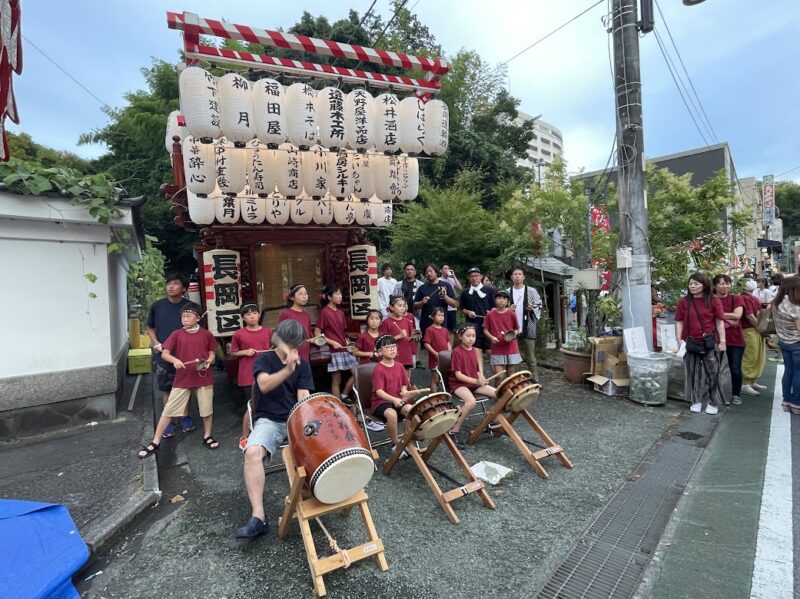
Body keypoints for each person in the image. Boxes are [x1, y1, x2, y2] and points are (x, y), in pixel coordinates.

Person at [236, 319, 314, 538]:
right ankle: (258, 517)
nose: (294, 348)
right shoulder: (264, 359)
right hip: (269, 420)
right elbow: (264, 385)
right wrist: (288, 369)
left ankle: (319, 492)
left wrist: (306, 422)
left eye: (297, 344)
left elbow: (303, 397)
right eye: (290, 343)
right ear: (279, 341)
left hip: (294, 419)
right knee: (252, 452)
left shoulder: (303, 364)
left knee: (320, 445)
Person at [137, 302, 218, 459]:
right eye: (182, 316)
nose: (184, 319)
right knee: (169, 410)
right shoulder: (176, 334)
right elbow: (164, 353)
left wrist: (209, 360)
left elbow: (212, 352)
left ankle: (207, 436)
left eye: (188, 316)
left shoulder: (206, 334)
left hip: (203, 376)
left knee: (206, 409)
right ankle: (155, 442)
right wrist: (174, 360)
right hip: (182, 378)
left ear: (198, 318)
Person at [146, 272, 193, 438]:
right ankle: (169, 422)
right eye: (169, 284)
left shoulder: (190, 307)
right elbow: (150, 327)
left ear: (184, 288)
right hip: (164, 355)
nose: (171, 287)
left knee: (185, 388)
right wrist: (156, 343)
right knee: (167, 389)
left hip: (185, 355)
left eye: (175, 283)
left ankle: (185, 417)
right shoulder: (157, 306)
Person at [674, 272, 726, 415]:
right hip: (690, 341)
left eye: (696, 283)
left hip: (710, 342)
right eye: (690, 284)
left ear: (704, 285)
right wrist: (679, 340)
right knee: (692, 372)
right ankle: (695, 400)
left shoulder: (714, 301)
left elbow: (719, 322)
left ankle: (714, 401)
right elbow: (679, 321)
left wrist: (722, 341)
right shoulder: (684, 302)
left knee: (713, 372)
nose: (693, 286)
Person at [230, 303, 273, 451]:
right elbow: (233, 352)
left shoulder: (268, 331)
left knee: (269, 403)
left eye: (254, 313)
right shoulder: (238, 334)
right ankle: (245, 436)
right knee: (252, 406)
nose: (252, 316)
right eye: (248, 314)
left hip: (268, 373)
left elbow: (274, 348)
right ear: (243, 318)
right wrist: (244, 352)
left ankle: (266, 434)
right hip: (248, 374)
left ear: (259, 315)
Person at [447, 324, 496, 449]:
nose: (471, 338)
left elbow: (476, 370)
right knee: (471, 402)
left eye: (473, 336)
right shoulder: (456, 352)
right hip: (458, 384)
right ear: (460, 336)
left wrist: (481, 378)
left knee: (499, 393)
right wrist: (476, 381)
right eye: (468, 336)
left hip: (473, 383)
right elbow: (458, 375)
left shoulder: (475, 350)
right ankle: (454, 430)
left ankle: (489, 421)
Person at [370, 335, 415, 456]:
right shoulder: (378, 369)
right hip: (381, 402)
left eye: (394, 346)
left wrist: (404, 390)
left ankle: (406, 440)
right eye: (388, 347)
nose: (393, 349)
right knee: (391, 413)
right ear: (380, 351)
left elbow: (404, 383)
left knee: (411, 410)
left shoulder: (400, 366)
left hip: (397, 400)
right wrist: (394, 399)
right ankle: (396, 444)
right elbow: (379, 392)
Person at [314, 284, 357, 402]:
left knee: (356, 373)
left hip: (344, 349)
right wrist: (331, 342)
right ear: (329, 297)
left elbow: (343, 332)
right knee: (336, 380)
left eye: (340, 294)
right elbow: (317, 332)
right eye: (337, 294)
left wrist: (348, 343)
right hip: (333, 351)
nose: (340, 296)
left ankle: (344, 395)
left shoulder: (340, 312)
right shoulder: (324, 312)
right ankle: (339, 406)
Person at [713, 274, 745, 405]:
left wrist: (718, 315)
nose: (725, 286)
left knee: (735, 368)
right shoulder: (711, 299)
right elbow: (708, 314)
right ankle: (713, 394)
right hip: (716, 338)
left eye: (727, 283)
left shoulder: (736, 298)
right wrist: (729, 318)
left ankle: (736, 394)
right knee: (714, 368)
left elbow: (738, 315)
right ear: (715, 285)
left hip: (735, 338)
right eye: (721, 284)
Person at [507, 266, 543, 381]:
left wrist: (532, 308)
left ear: (524, 277)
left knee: (530, 357)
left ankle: (535, 380)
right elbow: (501, 307)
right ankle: (515, 381)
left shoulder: (531, 291)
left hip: (528, 325)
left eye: (519, 274)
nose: (517, 276)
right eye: (515, 274)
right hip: (512, 328)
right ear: (511, 277)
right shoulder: (507, 292)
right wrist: (509, 309)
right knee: (514, 357)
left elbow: (539, 304)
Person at [773, 277, 800, 413]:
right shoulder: (795, 306)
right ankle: (796, 403)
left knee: (789, 371)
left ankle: (787, 401)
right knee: (798, 373)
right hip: (797, 342)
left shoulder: (776, 303)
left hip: (783, 342)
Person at [459, 266, 495, 364]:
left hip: (488, 326)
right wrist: (468, 312)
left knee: (491, 352)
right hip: (472, 327)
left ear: (481, 277)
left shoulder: (490, 290)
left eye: (476, 276)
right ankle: (478, 376)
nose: (474, 278)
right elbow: (462, 308)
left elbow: (495, 306)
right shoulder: (465, 293)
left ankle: (498, 377)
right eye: (471, 276)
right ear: (469, 278)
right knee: (475, 352)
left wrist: (491, 312)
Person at [414, 263, 459, 338]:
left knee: (441, 346)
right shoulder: (422, 288)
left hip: (441, 323)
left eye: (431, 271)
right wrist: (422, 302)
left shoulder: (446, 285)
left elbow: (455, 304)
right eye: (426, 272)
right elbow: (415, 306)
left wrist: (445, 297)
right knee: (426, 347)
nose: (429, 273)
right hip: (426, 323)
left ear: (436, 272)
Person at [483, 290, 522, 376]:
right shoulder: (490, 314)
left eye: (504, 298)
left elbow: (517, 328)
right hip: (497, 347)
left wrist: (513, 334)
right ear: (495, 300)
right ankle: (498, 390)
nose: (501, 300)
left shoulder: (511, 314)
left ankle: (509, 390)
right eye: (499, 298)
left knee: (510, 374)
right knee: (499, 376)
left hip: (511, 347)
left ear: (508, 301)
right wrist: (491, 337)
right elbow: (485, 330)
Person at [739, 280, 767, 396]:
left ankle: (752, 380)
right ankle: (745, 383)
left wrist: (761, 328)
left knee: (758, 355)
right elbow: (749, 315)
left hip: (755, 329)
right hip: (748, 330)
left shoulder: (753, 298)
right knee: (751, 355)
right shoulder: (744, 298)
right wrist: (761, 328)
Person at [278, 283, 312, 363]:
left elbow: (307, 337)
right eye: (300, 294)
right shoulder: (286, 314)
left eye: (306, 294)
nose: (304, 296)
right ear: (292, 298)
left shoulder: (307, 316)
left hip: (305, 356)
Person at [380, 296, 415, 370]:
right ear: (391, 307)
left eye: (404, 306)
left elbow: (410, 338)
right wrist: (398, 336)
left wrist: (414, 337)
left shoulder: (407, 322)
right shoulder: (386, 322)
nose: (402, 308)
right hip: (393, 356)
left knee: (406, 379)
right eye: (399, 305)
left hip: (406, 354)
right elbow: (383, 341)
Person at [423, 306, 451, 391]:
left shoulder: (445, 330)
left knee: (444, 377)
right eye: (439, 315)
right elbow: (426, 344)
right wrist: (435, 353)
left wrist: (450, 352)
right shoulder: (429, 330)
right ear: (432, 317)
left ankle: (443, 395)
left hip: (445, 358)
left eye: (442, 315)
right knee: (435, 378)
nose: (441, 317)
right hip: (435, 358)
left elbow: (447, 342)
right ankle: (433, 396)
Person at [440, 265, 462, 333]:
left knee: (451, 330)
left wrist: (454, 276)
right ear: (441, 270)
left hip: (452, 308)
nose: (447, 270)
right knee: (442, 328)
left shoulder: (452, 280)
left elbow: (459, 288)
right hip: (442, 307)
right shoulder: (438, 280)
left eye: (448, 268)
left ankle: (450, 344)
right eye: (445, 268)